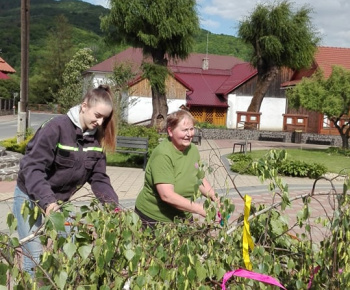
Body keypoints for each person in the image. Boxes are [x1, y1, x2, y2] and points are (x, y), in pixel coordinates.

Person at [13, 84, 119, 277]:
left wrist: (114, 207)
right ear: (84, 106)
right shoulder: (57, 127)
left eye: (105, 118)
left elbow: (99, 178)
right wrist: (48, 202)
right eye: (97, 115)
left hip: (59, 201)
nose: (100, 122)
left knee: (71, 245)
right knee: (34, 255)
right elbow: (32, 167)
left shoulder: (95, 141)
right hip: (30, 195)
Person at [135, 109, 219, 227]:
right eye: (184, 130)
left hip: (182, 215)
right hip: (154, 219)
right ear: (170, 131)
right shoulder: (163, 154)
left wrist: (215, 198)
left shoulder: (192, 150)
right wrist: (200, 209)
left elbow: (198, 178)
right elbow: (167, 195)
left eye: (191, 129)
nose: (189, 134)